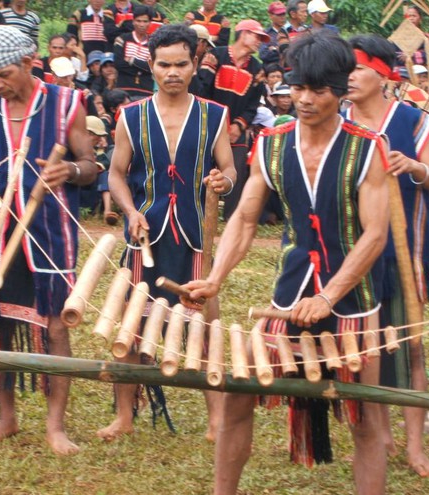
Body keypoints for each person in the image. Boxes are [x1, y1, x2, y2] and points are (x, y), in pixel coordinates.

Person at [185, 31, 390, 495]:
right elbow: (245, 218)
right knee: (239, 397)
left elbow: (375, 234)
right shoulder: (272, 143)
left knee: (365, 419)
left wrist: (329, 296)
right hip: (289, 297)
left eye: (317, 90)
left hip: (353, 305)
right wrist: (214, 279)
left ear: (340, 91)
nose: (304, 98)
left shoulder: (367, 148)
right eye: (297, 87)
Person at [0, 24, 96, 455]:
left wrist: (69, 171)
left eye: (3, 74)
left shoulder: (65, 105)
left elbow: (92, 164)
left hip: (52, 230)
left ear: (27, 62)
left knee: (57, 324)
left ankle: (55, 426)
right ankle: (7, 417)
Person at [100, 23, 236, 442]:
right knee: (131, 325)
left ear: (195, 65)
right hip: (146, 235)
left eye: (181, 63)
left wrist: (223, 183)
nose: (172, 72)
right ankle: (125, 414)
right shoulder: (131, 116)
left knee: (205, 324)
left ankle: (217, 420)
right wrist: (128, 210)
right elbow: (117, 174)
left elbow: (229, 170)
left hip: (196, 236)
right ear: (151, 66)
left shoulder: (215, 115)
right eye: (164, 64)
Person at [346, 34, 429, 478]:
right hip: (353, 249)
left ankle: (416, 445)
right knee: (369, 349)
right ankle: (380, 435)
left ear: (383, 74)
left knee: (410, 344)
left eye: (358, 68)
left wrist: (416, 167)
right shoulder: (339, 120)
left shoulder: (412, 120)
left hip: (405, 249)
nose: (348, 77)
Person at [197, 19, 267, 220]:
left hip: (235, 129)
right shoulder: (215, 56)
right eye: (257, 36)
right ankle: (196, 212)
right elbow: (202, 89)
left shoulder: (257, 69)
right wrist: (211, 121)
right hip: (208, 123)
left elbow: (253, 105)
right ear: (243, 34)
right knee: (201, 168)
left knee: (235, 171)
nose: (260, 41)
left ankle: (232, 218)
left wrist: (238, 125)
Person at [114, 4, 154, 100]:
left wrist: (132, 61)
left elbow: (153, 67)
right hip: (123, 90)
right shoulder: (122, 39)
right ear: (133, 21)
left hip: (146, 91)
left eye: (145, 21)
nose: (141, 24)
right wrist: (143, 68)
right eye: (138, 21)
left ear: (150, 23)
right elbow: (119, 64)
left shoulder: (154, 44)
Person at [259, 1, 289, 65]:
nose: (282, 17)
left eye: (283, 14)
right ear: (270, 16)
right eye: (279, 14)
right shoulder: (266, 34)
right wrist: (280, 49)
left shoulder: (290, 30)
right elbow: (263, 55)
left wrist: (274, 49)